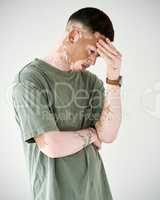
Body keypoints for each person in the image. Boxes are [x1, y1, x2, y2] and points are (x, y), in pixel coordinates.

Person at [12, 7, 122, 200]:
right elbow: (52, 146)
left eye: (98, 56)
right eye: (92, 51)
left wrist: (113, 78)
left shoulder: (91, 82)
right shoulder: (30, 81)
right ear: (73, 36)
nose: (94, 61)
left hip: (98, 192)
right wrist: (90, 134)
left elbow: (108, 135)